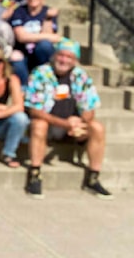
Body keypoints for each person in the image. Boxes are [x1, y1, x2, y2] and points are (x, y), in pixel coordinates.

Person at [24, 39, 110, 199]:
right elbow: (34, 110)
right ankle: (35, 175)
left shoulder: (81, 76)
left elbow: (90, 107)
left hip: (74, 128)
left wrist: (80, 122)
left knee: (97, 127)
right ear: (54, 55)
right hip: (50, 125)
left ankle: (93, 178)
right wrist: (64, 124)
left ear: (75, 60)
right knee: (38, 124)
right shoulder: (40, 73)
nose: (64, 60)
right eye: (61, 55)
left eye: (69, 57)